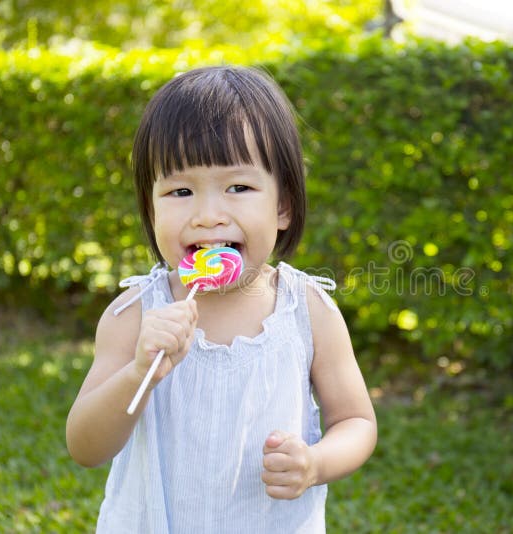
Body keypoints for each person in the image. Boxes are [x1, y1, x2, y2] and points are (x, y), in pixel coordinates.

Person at [66, 66, 377, 533]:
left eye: (238, 187)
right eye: (181, 191)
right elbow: (85, 446)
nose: (208, 215)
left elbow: (356, 421)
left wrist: (314, 463)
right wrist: (138, 374)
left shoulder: (306, 309)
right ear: (151, 211)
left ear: (283, 207)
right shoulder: (134, 315)